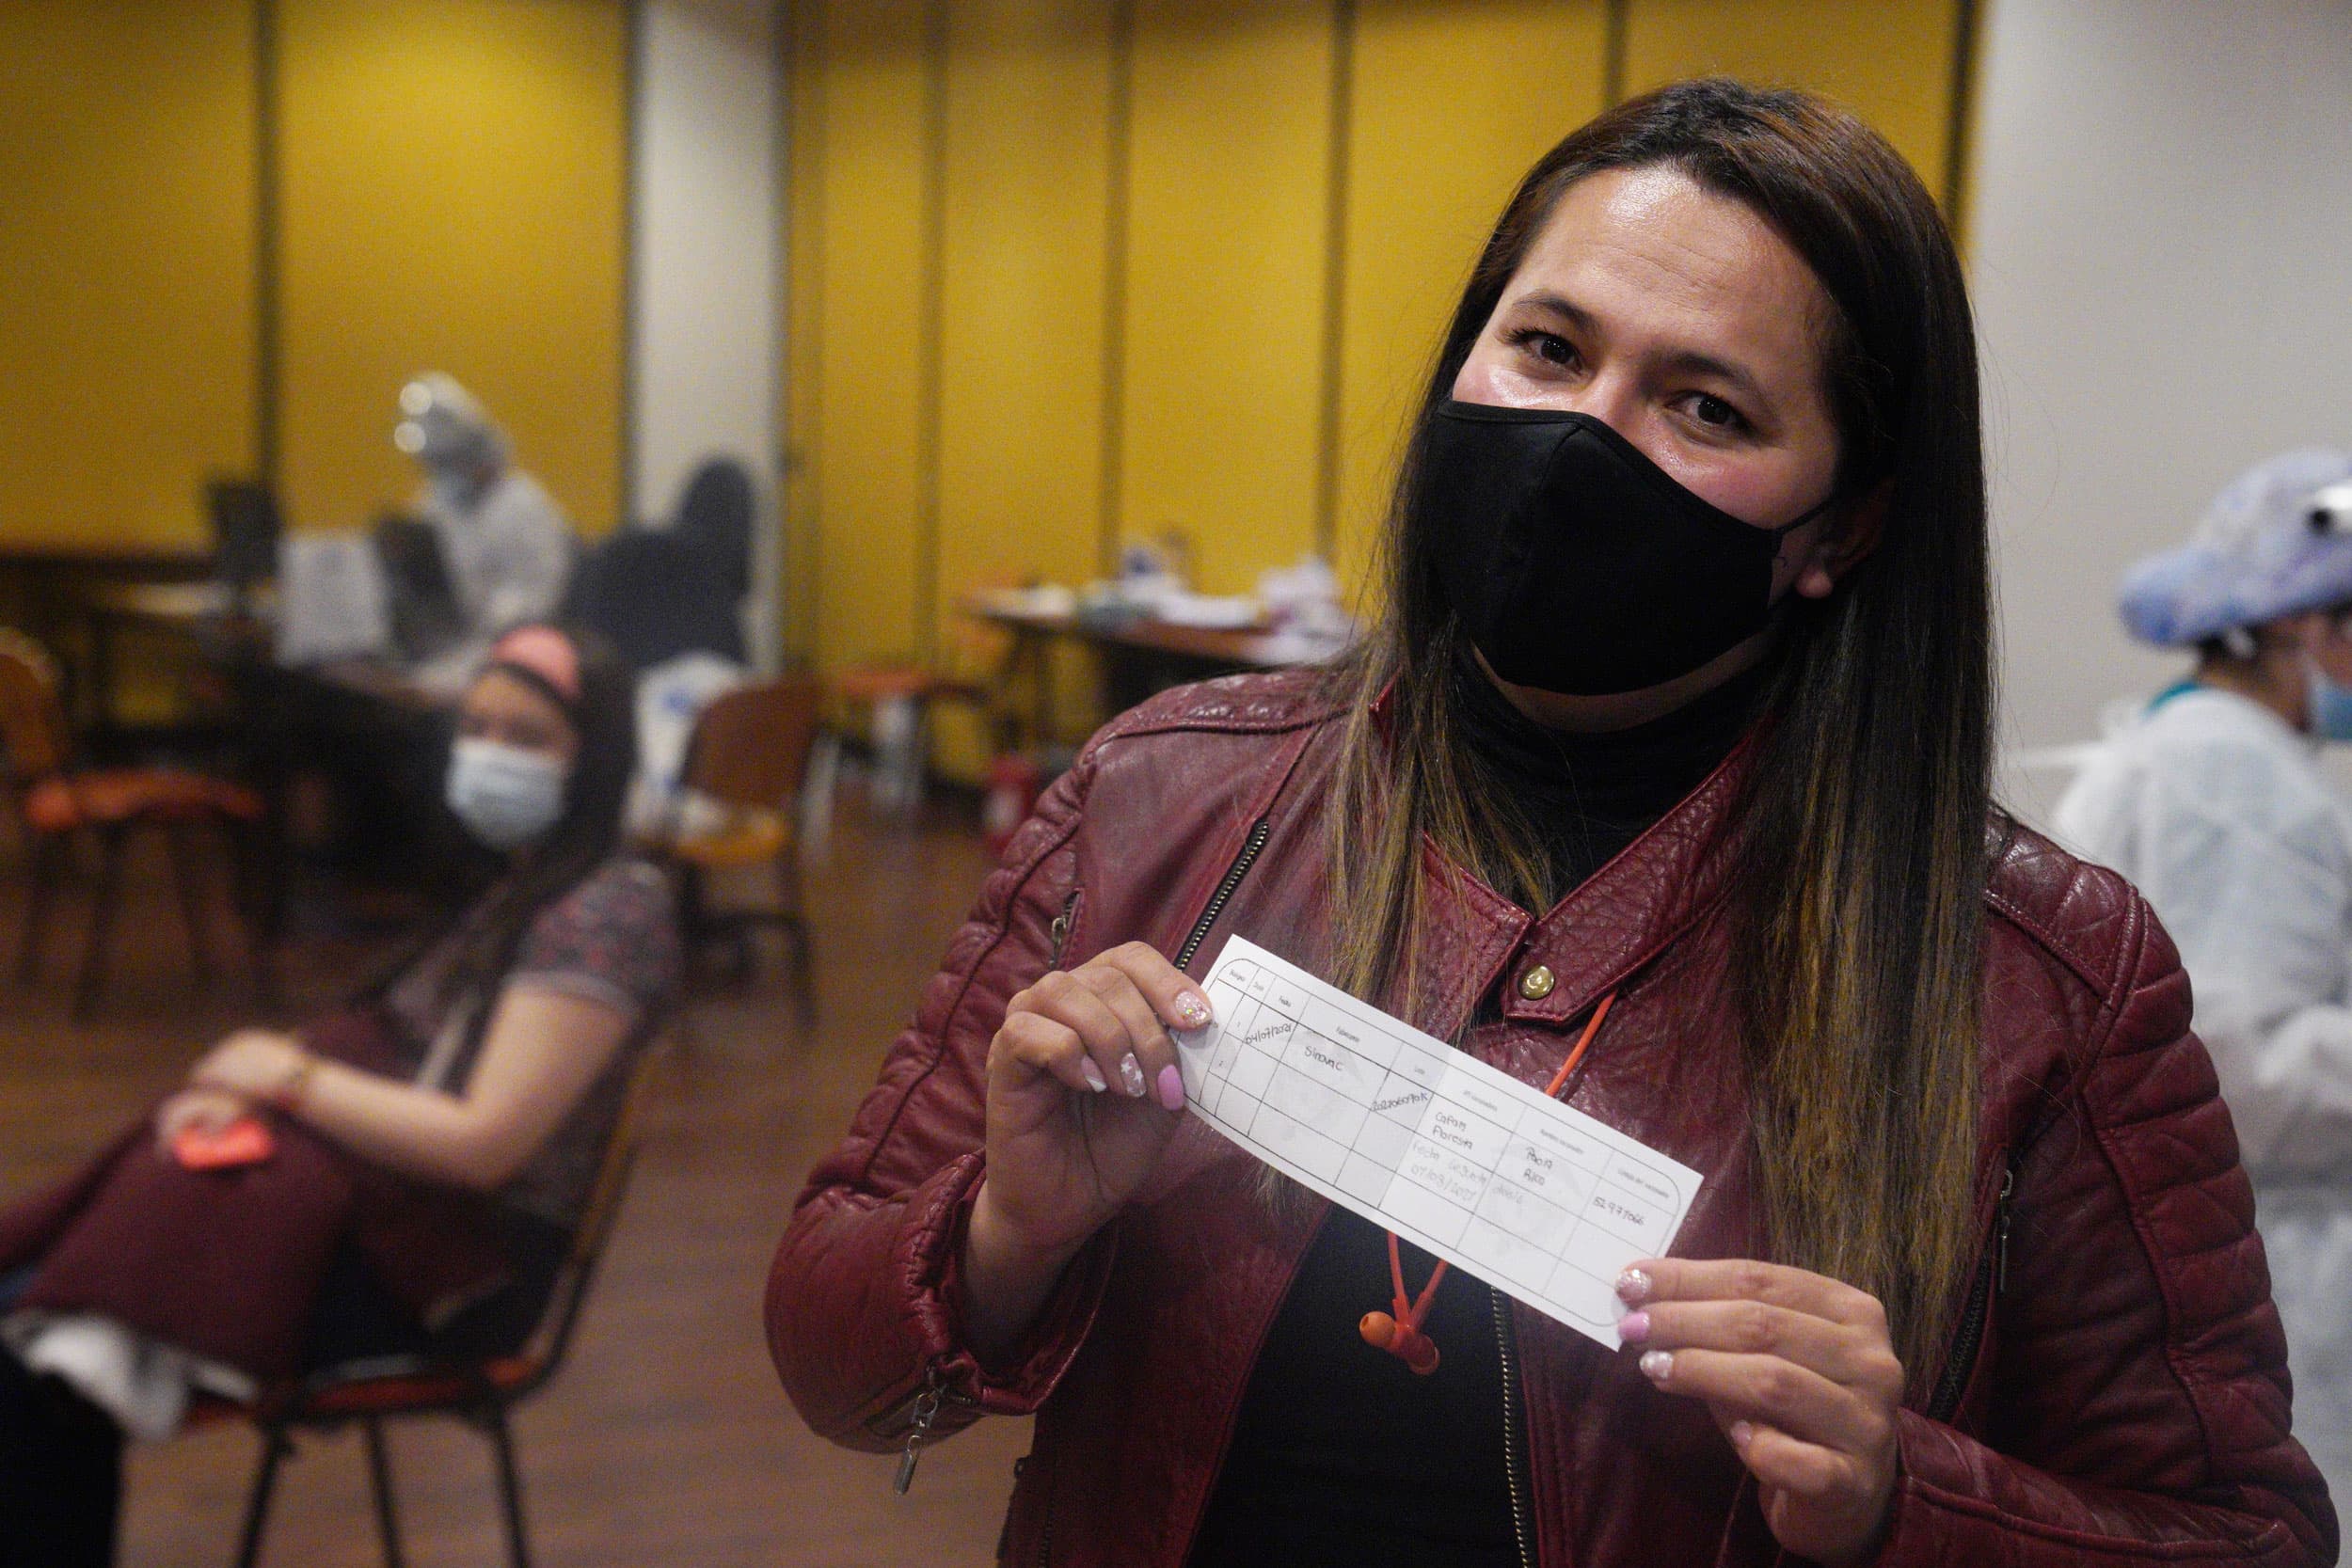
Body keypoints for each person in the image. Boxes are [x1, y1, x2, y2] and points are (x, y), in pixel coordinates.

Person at [768, 80, 2332, 1567]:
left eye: (1705, 403)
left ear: (1841, 527)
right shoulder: (1161, 798)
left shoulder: (2036, 979)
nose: (1585, 435)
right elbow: (835, 1361)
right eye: (1549, 346)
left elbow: (2242, 1535)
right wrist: (1003, 1238)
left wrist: (1899, 1496)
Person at [0, 624, 680, 1566]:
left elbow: (480, 1142)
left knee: (30, 1364)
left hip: (455, 1273)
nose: (487, 753)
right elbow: (400, 1054)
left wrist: (288, 1079)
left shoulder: (609, 908)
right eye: (477, 726)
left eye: (525, 736)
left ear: (593, 758)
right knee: (26, 1314)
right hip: (399, 1222)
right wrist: (263, 1096)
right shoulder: (535, 883)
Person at [2054, 448, 2352, 1507]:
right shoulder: (2235, 776)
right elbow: (2242, 1061)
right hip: (2270, 1251)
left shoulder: (2193, 751)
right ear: (2297, 625)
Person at [394, 372, 577, 641]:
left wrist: (490, 619)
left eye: (453, 460)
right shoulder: (434, 504)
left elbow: (543, 594)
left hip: (512, 641)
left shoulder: (524, 505)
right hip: (445, 640)